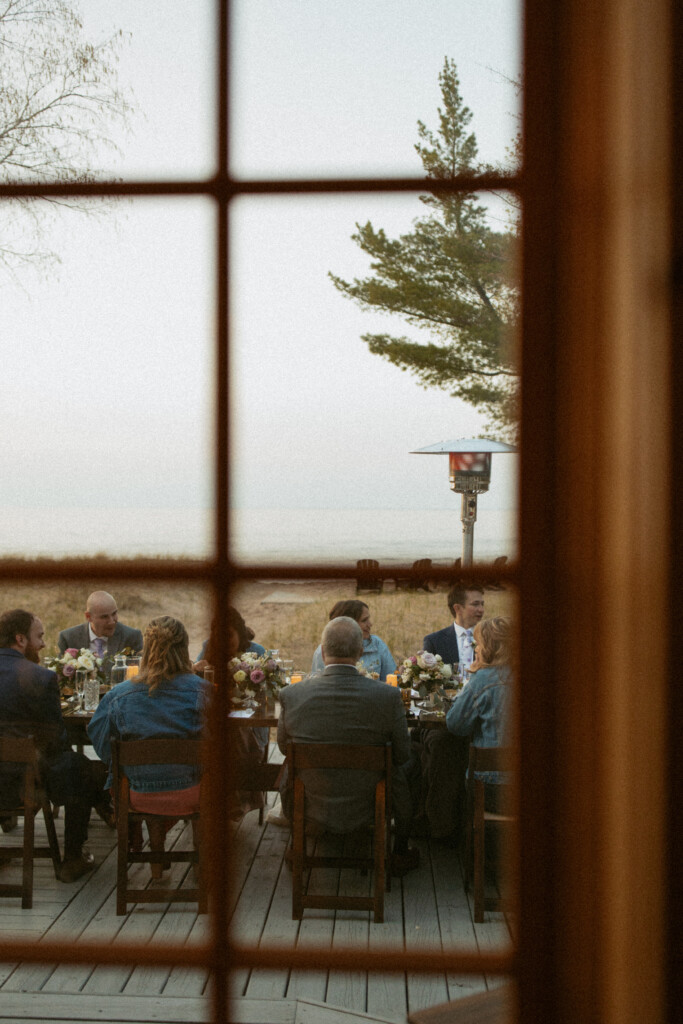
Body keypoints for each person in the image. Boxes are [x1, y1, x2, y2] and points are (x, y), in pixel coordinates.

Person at [278, 616, 419, 876]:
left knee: (291, 764)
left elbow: (285, 749)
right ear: (360, 651)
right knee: (403, 767)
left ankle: (298, 842)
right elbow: (402, 753)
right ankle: (399, 849)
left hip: (312, 799)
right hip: (371, 802)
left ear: (322, 651)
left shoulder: (292, 695)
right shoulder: (387, 696)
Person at [0, 609, 111, 882]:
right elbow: (56, 742)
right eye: (39, 637)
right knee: (81, 768)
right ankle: (72, 857)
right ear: (20, 639)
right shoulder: (39, 677)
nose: (43, 644)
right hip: (20, 787)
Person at [88, 616, 211, 821]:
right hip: (194, 791)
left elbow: (100, 739)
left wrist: (123, 765)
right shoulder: (203, 691)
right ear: (184, 649)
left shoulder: (119, 695)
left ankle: (151, 843)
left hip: (136, 794)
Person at [446, 616, 514, 812]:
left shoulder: (484, 679)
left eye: (478, 644)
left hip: (490, 787)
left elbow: (455, 725)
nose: (475, 649)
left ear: (489, 647)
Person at [309, 600, 395, 680]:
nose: (370, 624)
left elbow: (392, 680)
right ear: (348, 624)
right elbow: (317, 685)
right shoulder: (324, 651)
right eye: (364, 620)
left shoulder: (376, 645)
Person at [58, 591, 143, 667]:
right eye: (104, 617)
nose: (111, 621)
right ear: (88, 617)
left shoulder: (131, 637)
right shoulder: (68, 639)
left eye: (114, 614)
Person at [422, 584, 485, 671]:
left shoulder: (490, 639)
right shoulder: (434, 641)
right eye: (475, 604)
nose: (481, 610)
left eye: (482, 604)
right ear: (458, 608)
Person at [193, 606, 265, 675]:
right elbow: (192, 670)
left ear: (240, 633)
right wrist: (196, 667)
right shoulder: (209, 646)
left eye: (229, 635)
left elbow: (271, 684)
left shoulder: (257, 652)